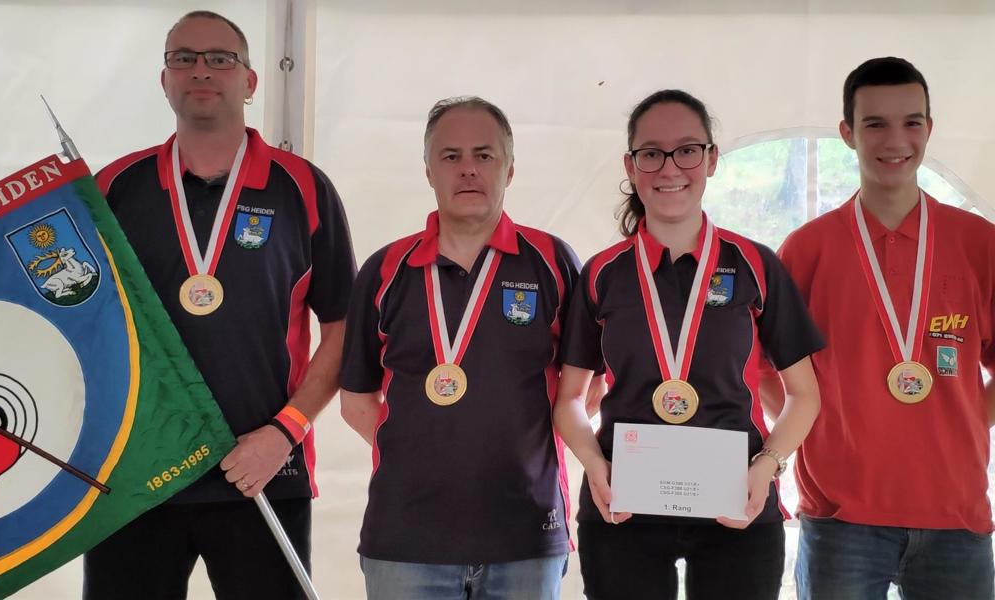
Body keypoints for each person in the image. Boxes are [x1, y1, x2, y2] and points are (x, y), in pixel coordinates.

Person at [86, 11, 356, 599]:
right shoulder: (113, 187)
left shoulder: (303, 188)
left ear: (251, 81)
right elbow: (81, 321)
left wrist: (285, 432)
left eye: (219, 58)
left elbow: (342, 329)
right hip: (136, 476)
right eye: (182, 58)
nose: (200, 70)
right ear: (164, 80)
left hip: (261, 473)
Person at [553, 89, 823, 600]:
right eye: (651, 153)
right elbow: (569, 399)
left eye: (687, 150)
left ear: (712, 158)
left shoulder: (755, 266)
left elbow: (804, 395)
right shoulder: (603, 274)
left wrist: (766, 468)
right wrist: (594, 466)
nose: (669, 167)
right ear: (631, 166)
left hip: (736, 505)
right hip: (623, 506)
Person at [768, 56, 995, 600]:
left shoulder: (977, 243)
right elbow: (763, 372)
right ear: (847, 133)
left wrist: (966, 423)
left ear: (929, 129)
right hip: (841, 519)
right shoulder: (808, 250)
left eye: (911, 122)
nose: (896, 139)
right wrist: (817, 429)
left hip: (956, 518)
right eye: (875, 124)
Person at [338, 96, 578, 600]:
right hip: (404, 539)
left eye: (484, 155)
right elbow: (357, 401)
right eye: (450, 156)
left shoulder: (551, 262)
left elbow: (583, 391)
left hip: (527, 534)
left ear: (510, 168)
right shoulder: (385, 270)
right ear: (428, 170)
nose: (468, 169)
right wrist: (420, 452)